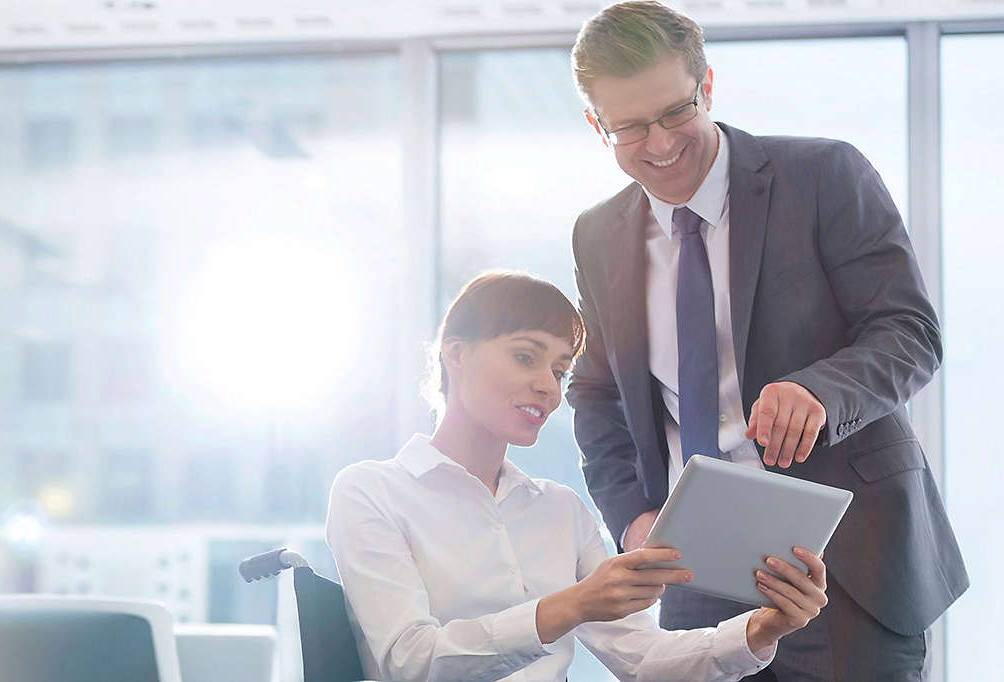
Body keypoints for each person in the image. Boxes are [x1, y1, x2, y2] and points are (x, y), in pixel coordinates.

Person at [564, 3, 969, 680]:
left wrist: (819, 389)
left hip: (844, 569)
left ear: (708, 86)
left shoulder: (824, 176)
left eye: (674, 113)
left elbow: (910, 332)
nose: (660, 145)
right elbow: (597, 393)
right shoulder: (597, 234)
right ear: (595, 125)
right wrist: (633, 516)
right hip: (696, 574)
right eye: (629, 128)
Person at [326, 271, 829, 682]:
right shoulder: (371, 492)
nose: (547, 386)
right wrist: (570, 606)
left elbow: (644, 660)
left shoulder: (559, 509)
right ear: (455, 354)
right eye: (526, 357)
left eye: (561, 371)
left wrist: (762, 629)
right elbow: (409, 662)